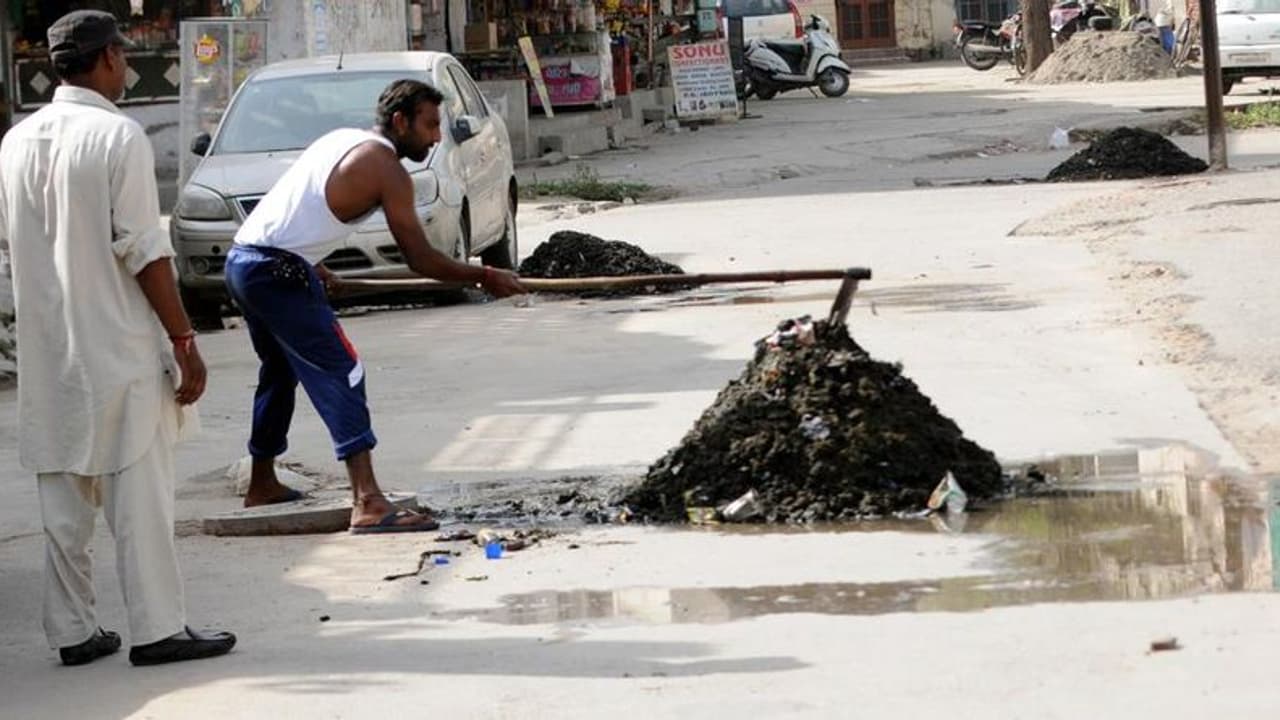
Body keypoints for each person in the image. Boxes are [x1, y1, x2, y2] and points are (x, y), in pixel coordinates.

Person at [0, 10, 236, 666]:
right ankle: (159, 628)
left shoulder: (16, 142)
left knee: (64, 497)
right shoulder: (116, 135)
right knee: (139, 495)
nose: (127, 66)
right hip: (118, 344)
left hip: (48, 351)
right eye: (123, 54)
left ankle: (73, 632)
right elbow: (143, 248)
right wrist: (183, 337)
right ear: (105, 57)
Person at [225, 79, 526, 533]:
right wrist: (485, 275)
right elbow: (421, 258)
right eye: (428, 125)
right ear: (400, 120)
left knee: (280, 372)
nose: (436, 137)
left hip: (247, 259)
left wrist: (312, 267)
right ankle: (368, 502)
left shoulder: (343, 140)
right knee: (342, 370)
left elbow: (300, 209)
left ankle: (262, 482)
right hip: (272, 270)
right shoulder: (385, 167)